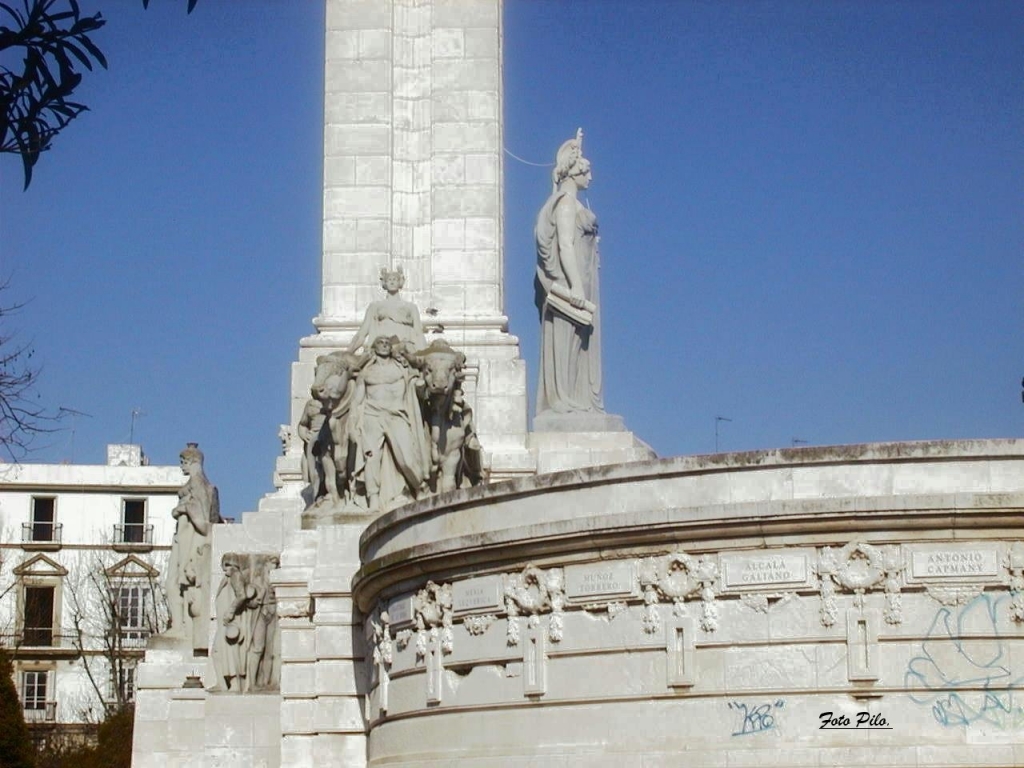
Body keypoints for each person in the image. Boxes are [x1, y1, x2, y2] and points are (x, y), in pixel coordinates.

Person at [534, 128, 605, 416]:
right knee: (566, 342)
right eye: (586, 169)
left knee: (579, 343)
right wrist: (576, 287)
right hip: (569, 284)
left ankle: (579, 398)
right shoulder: (564, 203)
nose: (590, 176)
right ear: (573, 172)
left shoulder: (574, 202)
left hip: (583, 281)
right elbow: (564, 244)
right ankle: (564, 398)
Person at [347, 336, 432, 512]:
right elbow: (357, 399)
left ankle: (421, 487)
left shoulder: (401, 369)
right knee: (371, 458)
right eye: (380, 342)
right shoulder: (366, 372)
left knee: (406, 458)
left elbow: (415, 386)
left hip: (396, 414)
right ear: (374, 347)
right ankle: (373, 499)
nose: (384, 345)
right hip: (372, 415)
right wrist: (354, 423)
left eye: (387, 343)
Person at [163, 442, 221, 651]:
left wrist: (182, 508)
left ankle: (180, 628)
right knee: (176, 585)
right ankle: (180, 626)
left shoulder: (198, 485)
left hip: (190, 543)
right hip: (185, 540)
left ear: (193, 461)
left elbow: (204, 524)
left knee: (174, 584)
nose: (181, 466)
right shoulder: (200, 485)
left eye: (183, 462)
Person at [347, 267, 426, 355]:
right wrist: (348, 353)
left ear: (400, 282)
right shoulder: (375, 306)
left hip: (404, 348)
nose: (392, 282)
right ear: (384, 283)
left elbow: (418, 333)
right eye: (389, 280)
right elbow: (362, 333)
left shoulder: (411, 307)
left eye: (395, 279)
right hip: (381, 348)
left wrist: (424, 354)